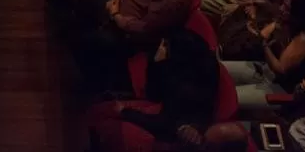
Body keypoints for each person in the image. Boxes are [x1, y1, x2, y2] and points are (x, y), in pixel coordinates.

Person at [88, 29, 219, 149]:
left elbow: (165, 123)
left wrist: (125, 112)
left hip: (168, 133)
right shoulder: (192, 63)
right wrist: (157, 62)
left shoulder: (185, 87)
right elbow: (154, 94)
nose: (160, 48)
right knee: (99, 111)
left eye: (165, 45)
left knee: (106, 123)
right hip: (167, 119)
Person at [221, 0, 305, 108]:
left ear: (298, 13)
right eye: (283, 4)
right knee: (217, 69)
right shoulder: (288, 24)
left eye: (287, 8)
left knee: (226, 98)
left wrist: (264, 44)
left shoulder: (304, 39)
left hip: (281, 88)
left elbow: (280, 68)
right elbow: (264, 31)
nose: (281, 9)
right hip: (266, 71)